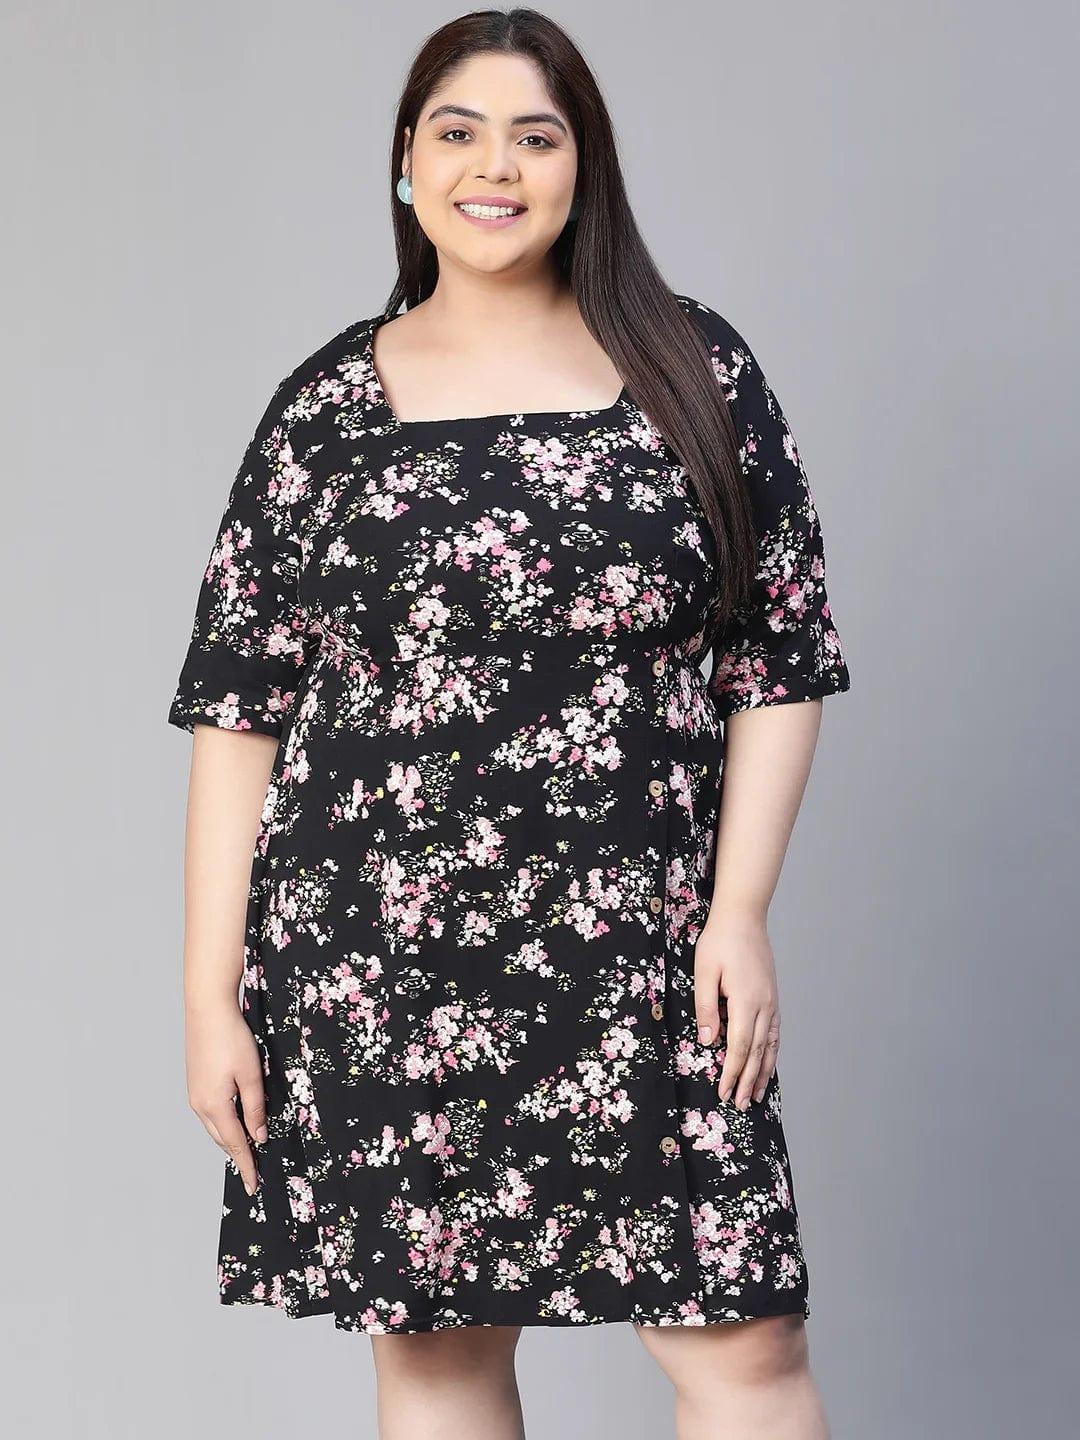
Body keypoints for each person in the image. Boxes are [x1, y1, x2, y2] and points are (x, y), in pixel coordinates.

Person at [168, 9, 850, 1438]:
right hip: (376, 954)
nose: (496, 167)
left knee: (747, 1350)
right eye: (458, 133)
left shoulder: (694, 371)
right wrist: (208, 995)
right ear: (406, 166)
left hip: (644, 943)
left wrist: (738, 914)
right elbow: (239, 709)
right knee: (438, 1358)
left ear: (583, 169)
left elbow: (777, 660)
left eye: (537, 137)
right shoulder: (324, 409)